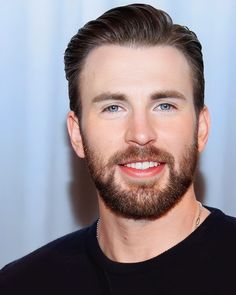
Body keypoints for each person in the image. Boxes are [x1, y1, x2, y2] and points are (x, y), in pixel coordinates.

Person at [1, 3, 236, 294]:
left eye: (164, 106)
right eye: (113, 107)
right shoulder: (20, 284)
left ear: (201, 128)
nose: (140, 134)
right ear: (76, 134)